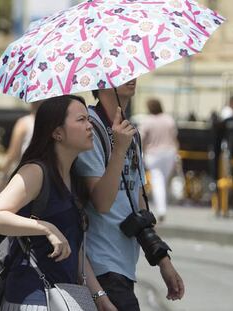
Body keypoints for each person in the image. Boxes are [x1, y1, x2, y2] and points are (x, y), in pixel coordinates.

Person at [0, 95, 116, 310]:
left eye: (88, 119)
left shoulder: (74, 177)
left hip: (64, 297)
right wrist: (46, 228)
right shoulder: (36, 172)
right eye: (81, 120)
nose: (89, 126)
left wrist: (100, 296)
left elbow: (76, 246)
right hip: (32, 298)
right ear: (57, 132)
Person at [75, 79, 185, 311]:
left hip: (124, 263)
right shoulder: (90, 130)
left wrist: (162, 259)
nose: (131, 77)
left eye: (131, 71)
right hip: (100, 264)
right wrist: (119, 150)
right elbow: (102, 203)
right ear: (101, 80)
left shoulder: (130, 130)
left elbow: (138, 203)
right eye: (119, 73)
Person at [139, 98, 178, 222]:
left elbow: (141, 138)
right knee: (164, 181)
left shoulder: (147, 121)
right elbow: (174, 137)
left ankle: (161, 210)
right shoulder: (169, 119)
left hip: (153, 154)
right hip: (169, 152)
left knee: (158, 181)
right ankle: (163, 206)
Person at [0, 101, 42, 194]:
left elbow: (13, 154)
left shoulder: (24, 123)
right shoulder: (53, 124)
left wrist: (2, 175)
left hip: (26, 175)